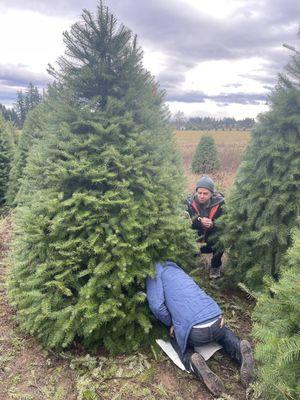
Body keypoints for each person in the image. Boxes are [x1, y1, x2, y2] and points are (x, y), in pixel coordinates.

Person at [146, 261, 255, 397]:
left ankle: (193, 360)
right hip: (216, 318)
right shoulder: (177, 270)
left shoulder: (154, 272)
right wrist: (218, 312)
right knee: (224, 333)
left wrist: (171, 323)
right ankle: (239, 348)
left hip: (195, 331)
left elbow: (157, 306)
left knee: (177, 340)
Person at [186, 176, 224, 278]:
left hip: (211, 241)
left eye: (205, 193)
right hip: (195, 240)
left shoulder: (220, 204)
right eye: (199, 193)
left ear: (212, 193)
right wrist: (198, 222)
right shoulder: (189, 203)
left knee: (222, 242)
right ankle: (189, 264)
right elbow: (185, 221)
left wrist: (213, 224)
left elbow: (225, 223)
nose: (201, 196)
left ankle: (215, 268)